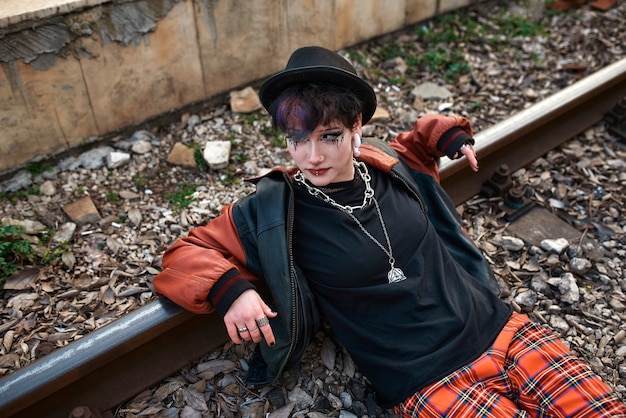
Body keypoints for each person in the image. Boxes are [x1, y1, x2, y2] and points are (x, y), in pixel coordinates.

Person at [153, 46, 626, 417]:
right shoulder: (275, 209)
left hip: (500, 328)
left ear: (357, 127)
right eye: (298, 139)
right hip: (425, 378)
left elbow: (420, 141)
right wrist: (229, 290)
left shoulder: (385, 163)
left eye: (329, 136)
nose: (312, 156)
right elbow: (185, 253)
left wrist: (448, 134)